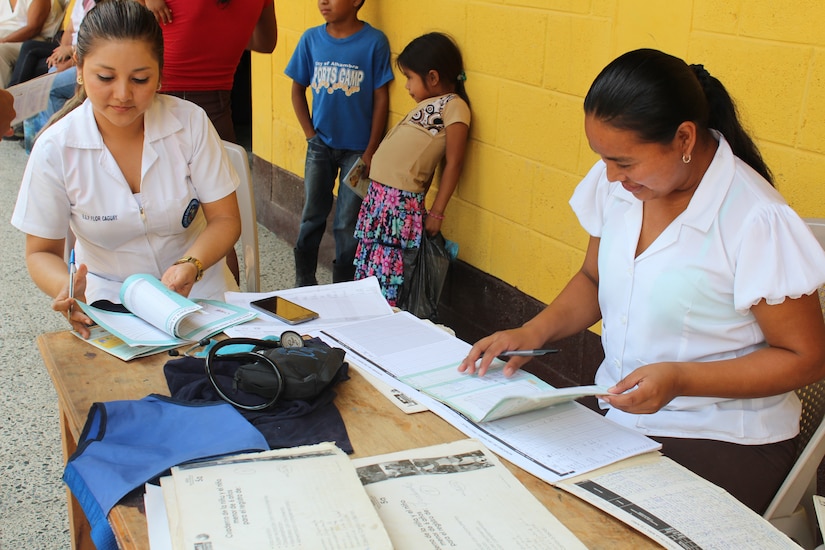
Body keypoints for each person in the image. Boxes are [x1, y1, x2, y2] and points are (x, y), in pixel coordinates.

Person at [459, 48, 825, 514]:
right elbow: (593, 278)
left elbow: (807, 358)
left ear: (684, 138)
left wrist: (681, 379)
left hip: (721, 435)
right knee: (513, 492)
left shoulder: (754, 218)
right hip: (621, 413)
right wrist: (532, 333)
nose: (611, 176)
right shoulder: (621, 184)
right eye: (604, 159)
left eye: (625, 163)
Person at [11, 0, 241, 339]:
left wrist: (190, 264)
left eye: (140, 79)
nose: (122, 94)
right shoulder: (56, 148)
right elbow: (41, 252)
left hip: (199, 294)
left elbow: (225, 219)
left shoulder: (190, 123)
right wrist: (68, 287)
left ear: (160, 73)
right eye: (105, 77)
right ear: (79, 69)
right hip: (107, 305)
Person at [353, 32, 470, 306]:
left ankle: (386, 325)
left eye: (409, 78)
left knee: (390, 274)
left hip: (398, 205)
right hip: (380, 200)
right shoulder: (429, 105)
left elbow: (453, 162)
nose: (406, 86)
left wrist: (437, 213)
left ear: (432, 77)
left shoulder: (454, 106)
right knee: (371, 268)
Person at [285, 0, 393, 286]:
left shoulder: (374, 42)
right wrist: (310, 135)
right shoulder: (311, 39)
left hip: (357, 152)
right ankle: (304, 280)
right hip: (320, 146)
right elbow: (297, 89)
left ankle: (343, 287)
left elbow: (382, 98)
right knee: (312, 213)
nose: (323, 2)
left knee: (347, 223)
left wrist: (371, 150)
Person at [139, 0, 277, 143]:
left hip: (158, 109)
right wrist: (222, 31)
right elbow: (265, 42)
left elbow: (122, 22)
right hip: (216, 115)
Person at [0, 0, 64, 88]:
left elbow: (33, 29)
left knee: (0, 51)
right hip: (5, 37)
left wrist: (3, 40)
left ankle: (4, 98)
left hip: (30, 41)